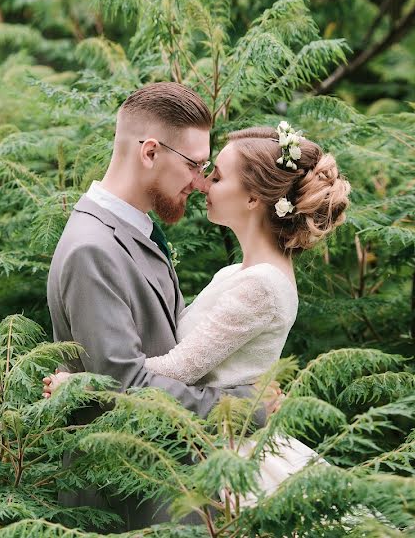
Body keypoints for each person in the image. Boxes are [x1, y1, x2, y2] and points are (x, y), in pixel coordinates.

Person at [46, 121, 352, 511]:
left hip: (225, 456)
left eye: (217, 176)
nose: (203, 184)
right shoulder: (235, 274)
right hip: (201, 444)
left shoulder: (261, 285)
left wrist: (85, 385)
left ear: (254, 198)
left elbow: (178, 365)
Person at [45, 82, 281, 532]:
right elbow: (125, 387)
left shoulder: (135, 229)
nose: (200, 180)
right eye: (194, 164)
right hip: (130, 499)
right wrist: (245, 408)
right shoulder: (92, 248)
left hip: (165, 485)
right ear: (150, 152)